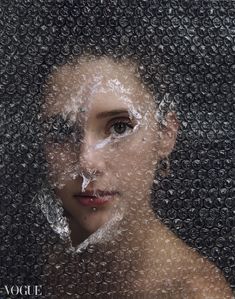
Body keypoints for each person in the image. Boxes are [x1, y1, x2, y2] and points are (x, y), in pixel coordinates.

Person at [40, 54, 233, 298]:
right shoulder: (52, 259)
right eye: (61, 131)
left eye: (120, 127)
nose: (87, 164)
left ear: (165, 134)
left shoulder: (193, 293)